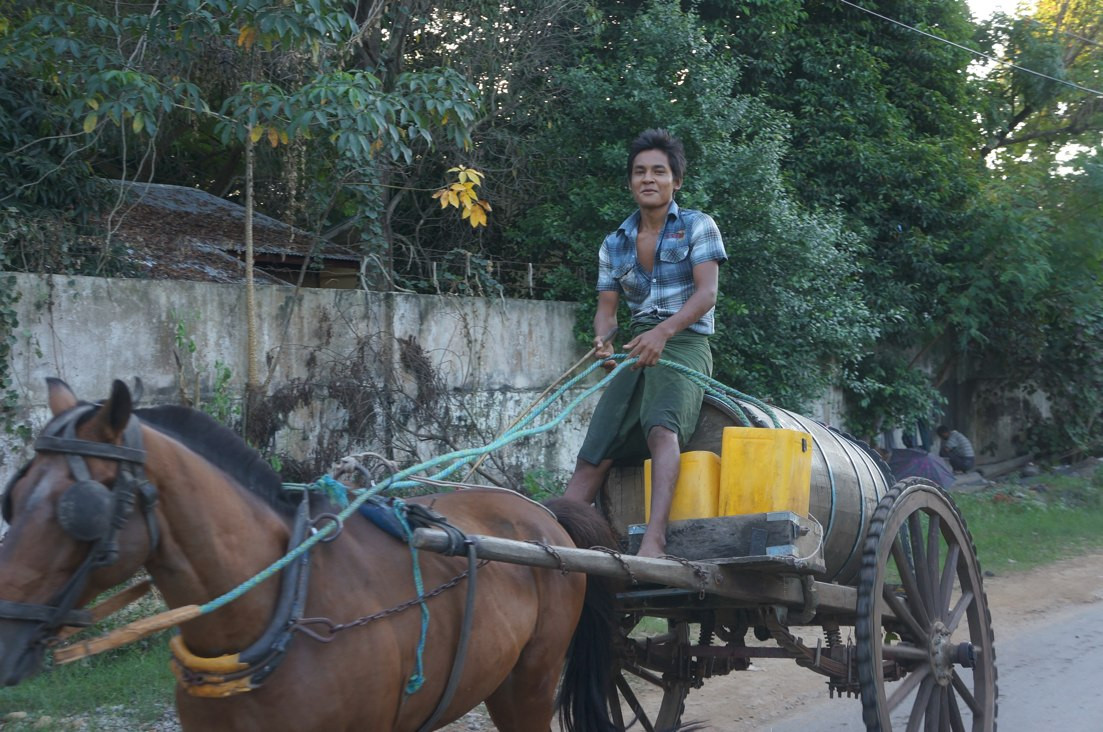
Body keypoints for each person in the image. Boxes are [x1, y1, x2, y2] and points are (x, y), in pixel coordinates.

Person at [563, 128, 727, 558]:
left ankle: (655, 537)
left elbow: (706, 294)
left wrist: (663, 332)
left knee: (661, 428)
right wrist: (603, 339)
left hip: (685, 342)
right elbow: (607, 307)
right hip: (636, 346)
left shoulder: (698, 226)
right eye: (639, 172)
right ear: (630, 181)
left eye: (658, 171)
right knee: (595, 449)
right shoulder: (614, 243)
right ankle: (553, 539)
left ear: (677, 181)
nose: (648, 179)